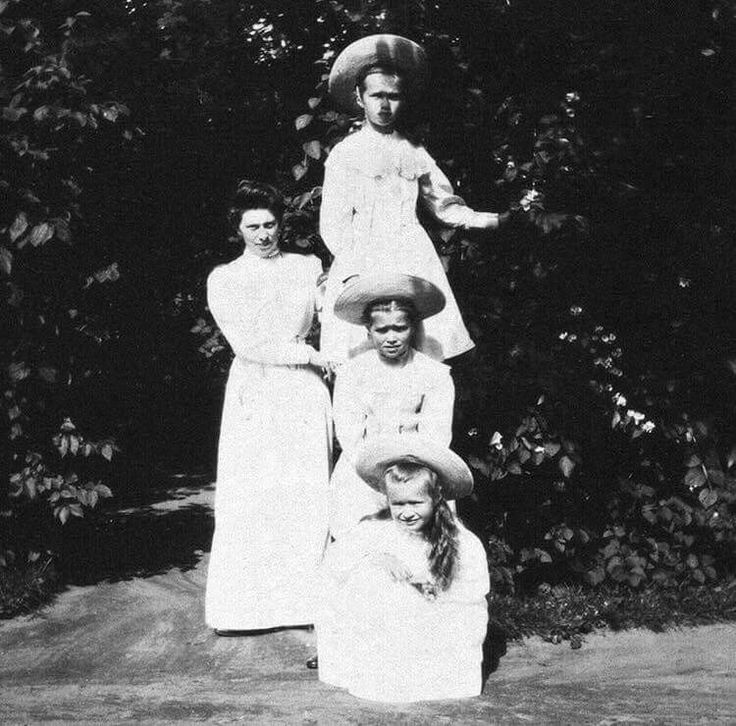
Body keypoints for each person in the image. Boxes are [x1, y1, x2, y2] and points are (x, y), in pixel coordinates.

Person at [320, 33, 509, 364]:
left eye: (393, 96)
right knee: (367, 353)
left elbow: (445, 205)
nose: (384, 105)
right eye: (376, 95)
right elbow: (333, 223)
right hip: (363, 258)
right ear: (359, 97)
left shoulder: (413, 151)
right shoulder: (345, 153)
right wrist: (352, 274)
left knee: (421, 356)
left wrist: (493, 220)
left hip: (412, 255)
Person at [204, 181, 332, 633]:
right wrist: (312, 354)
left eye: (271, 224)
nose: (263, 234)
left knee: (305, 488)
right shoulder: (225, 278)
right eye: (252, 226)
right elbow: (249, 342)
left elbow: (334, 315)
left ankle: (307, 605)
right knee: (254, 491)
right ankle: (246, 609)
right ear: (238, 229)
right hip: (256, 389)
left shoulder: (307, 266)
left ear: (283, 223)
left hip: (302, 390)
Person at [317, 435, 490, 702]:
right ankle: (381, 669)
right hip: (390, 626)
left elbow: (471, 591)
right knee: (373, 578)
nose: (406, 512)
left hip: (436, 622)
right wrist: (374, 558)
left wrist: (436, 587)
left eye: (416, 503)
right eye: (398, 504)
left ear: (436, 498)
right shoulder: (376, 529)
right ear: (387, 500)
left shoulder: (458, 540)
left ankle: (426, 673)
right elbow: (335, 564)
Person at [328, 272, 456, 539]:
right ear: (368, 331)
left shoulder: (434, 375)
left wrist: (408, 479)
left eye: (400, 328)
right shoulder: (353, 373)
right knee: (361, 539)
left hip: (419, 467)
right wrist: (377, 475)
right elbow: (350, 436)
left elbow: (436, 436)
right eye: (382, 330)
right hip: (362, 468)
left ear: (413, 328)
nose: (391, 338)